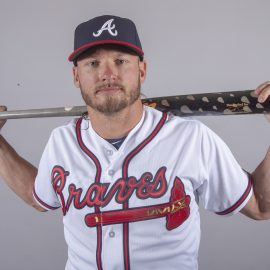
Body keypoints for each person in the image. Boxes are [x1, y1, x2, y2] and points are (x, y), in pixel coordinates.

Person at [0, 15, 270, 270]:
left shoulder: (190, 139)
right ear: (76, 76)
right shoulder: (62, 142)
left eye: (120, 61)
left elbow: (260, 204)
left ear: (142, 70)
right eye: (93, 63)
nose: (108, 74)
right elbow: (39, 196)